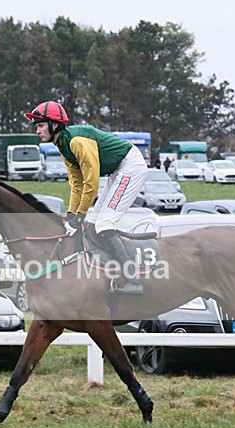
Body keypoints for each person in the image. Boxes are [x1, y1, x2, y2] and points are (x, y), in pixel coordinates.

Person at [25, 100, 148, 294]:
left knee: (105, 223)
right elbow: (77, 184)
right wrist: (71, 214)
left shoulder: (76, 142)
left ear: (54, 125)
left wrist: (79, 215)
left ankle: (132, 280)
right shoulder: (63, 144)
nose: (37, 131)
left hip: (130, 166)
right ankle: (108, 273)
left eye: (40, 125)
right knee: (92, 223)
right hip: (117, 171)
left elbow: (91, 184)